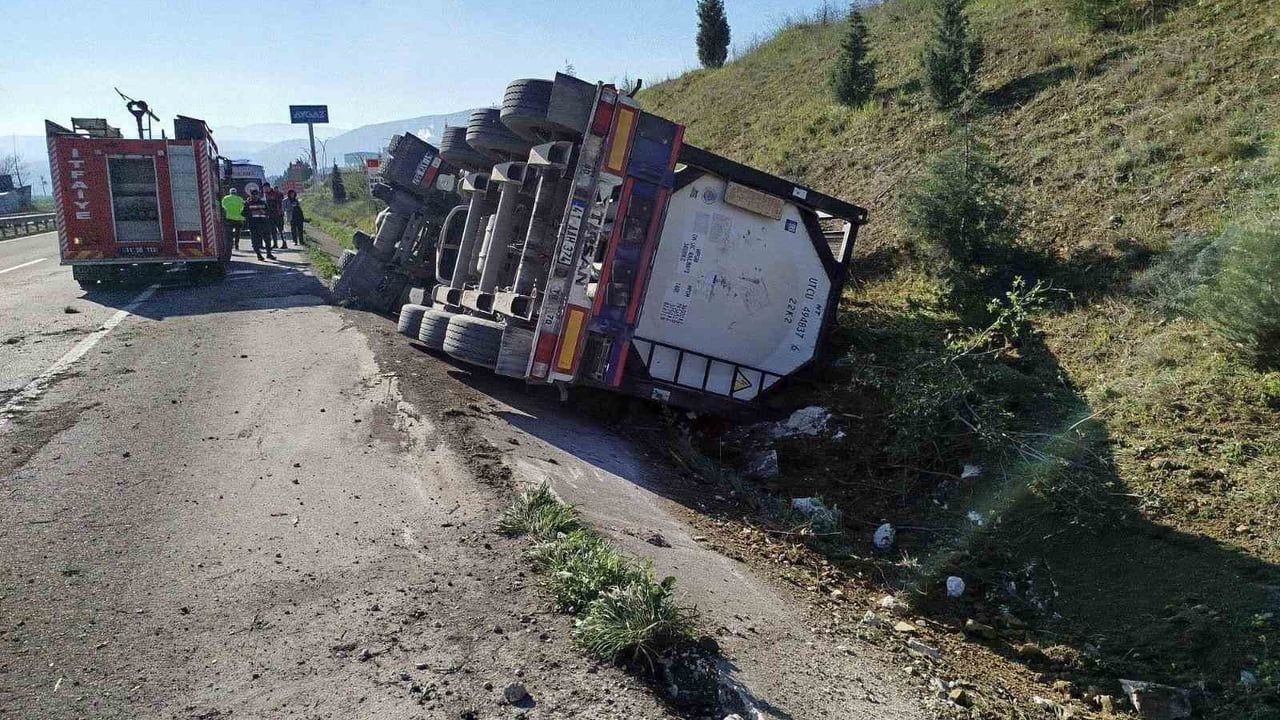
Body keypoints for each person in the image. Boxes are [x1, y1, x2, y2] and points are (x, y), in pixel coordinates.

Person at [243, 189, 275, 261]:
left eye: (256, 194)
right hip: (254, 225)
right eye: (253, 194)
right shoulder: (248, 203)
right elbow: (243, 213)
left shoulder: (263, 202)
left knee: (267, 240)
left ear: (258, 195)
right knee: (255, 241)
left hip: (264, 224)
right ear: (251, 195)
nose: (255, 196)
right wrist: (250, 214)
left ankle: (269, 254)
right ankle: (259, 255)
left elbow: (268, 211)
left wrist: (266, 214)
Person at [263, 183, 284, 249]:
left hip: (278, 214)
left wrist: (280, 212)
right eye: (264, 188)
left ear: (268, 187)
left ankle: (284, 243)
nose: (265, 189)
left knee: (281, 230)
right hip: (270, 215)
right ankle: (275, 244)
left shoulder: (276, 194)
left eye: (266, 188)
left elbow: (280, 203)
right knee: (273, 231)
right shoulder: (265, 194)